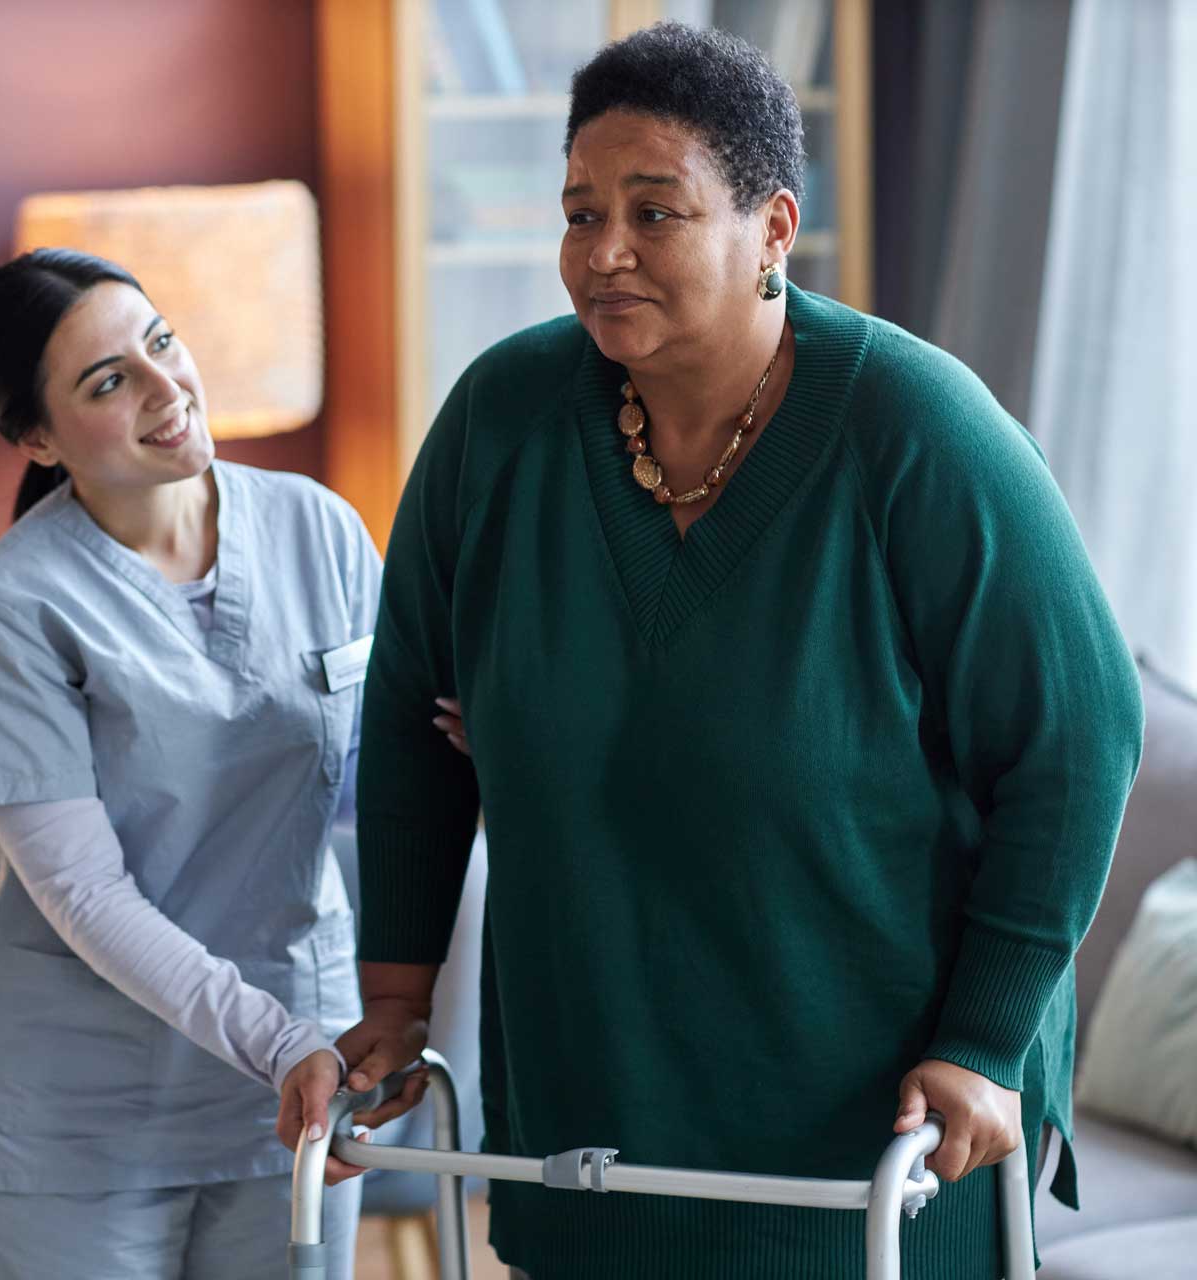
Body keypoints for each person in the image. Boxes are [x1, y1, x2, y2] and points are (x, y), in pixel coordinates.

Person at [327, 22, 1147, 1280]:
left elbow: (1078, 740)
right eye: (580, 210)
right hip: (593, 1120)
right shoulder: (500, 419)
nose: (603, 253)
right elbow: (405, 728)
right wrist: (393, 1004)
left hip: (881, 1136)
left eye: (655, 213)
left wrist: (986, 1040)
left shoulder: (918, 430)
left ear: (772, 226)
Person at [0, 248, 404, 1278]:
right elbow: (87, 895)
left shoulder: (319, 530)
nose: (164, 388)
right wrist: (280, 1039)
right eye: (108, 382)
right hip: (78, 1108)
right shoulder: (7, 609)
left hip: (293, 1084)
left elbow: (390, 785)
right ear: (38, 437)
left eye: (160, 343)